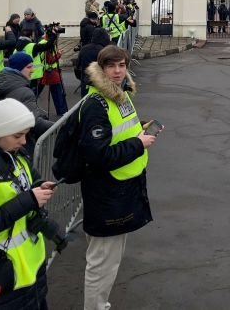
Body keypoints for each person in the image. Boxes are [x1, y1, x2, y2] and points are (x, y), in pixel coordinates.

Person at [80, 46, 156, 310]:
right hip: (106, 191)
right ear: (101, 68)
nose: (117, 71)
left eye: (122, 65)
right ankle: (95, 307)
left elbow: (119, 131)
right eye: (111, 66)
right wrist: (138, 144)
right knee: (102, 262)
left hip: (122, 188)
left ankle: (100, 304)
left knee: (110, 260)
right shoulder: (97, 104)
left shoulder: (120, 95)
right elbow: (98, 155)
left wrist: (140, 129)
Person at [0, 98, 59, 308]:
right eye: (17, 135)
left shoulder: (16, 155)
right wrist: (29, 199)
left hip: (31, 270)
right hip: (4, 278)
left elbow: (28, 178)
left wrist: (39, 185)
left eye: (26, 135)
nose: (23, 141)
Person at [0, 53, 54, 151]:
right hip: (21, 146)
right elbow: (35, 123)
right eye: (29, 67)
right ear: (18, 69)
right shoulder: (24, 92)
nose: (33, 70)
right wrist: (59, 126)